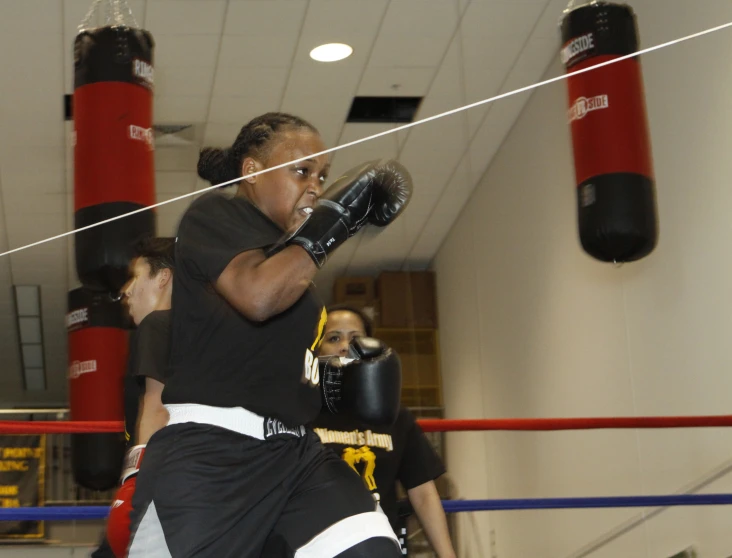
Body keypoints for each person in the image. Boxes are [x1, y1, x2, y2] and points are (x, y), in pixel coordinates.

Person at [126, 112, 413, 558]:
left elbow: (266, 354)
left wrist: (333, 385)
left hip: (296, 455)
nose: (315, 185)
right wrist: (338, 221)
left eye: (323, 175)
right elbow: (256, 297)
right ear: (252, 172)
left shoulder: (297, 272)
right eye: (302, 171)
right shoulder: (214, 215)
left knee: (372, 549)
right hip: (209, 458)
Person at [311, 304, 456, 558]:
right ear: (317, 348)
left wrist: (448, 556)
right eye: (334, 338)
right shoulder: (303, 413)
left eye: (356, 339)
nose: (345, 346)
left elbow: (422, 493)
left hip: (379, 546)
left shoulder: (394, 416)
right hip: (319, 546)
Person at [91, 236, 175, 558]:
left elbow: (157, 409)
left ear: (163, 277)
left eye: (136, 276)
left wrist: (136, 487)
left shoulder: (157, 325)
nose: (126, 290)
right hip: (186, 486)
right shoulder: (197, 333)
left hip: (157, 487)